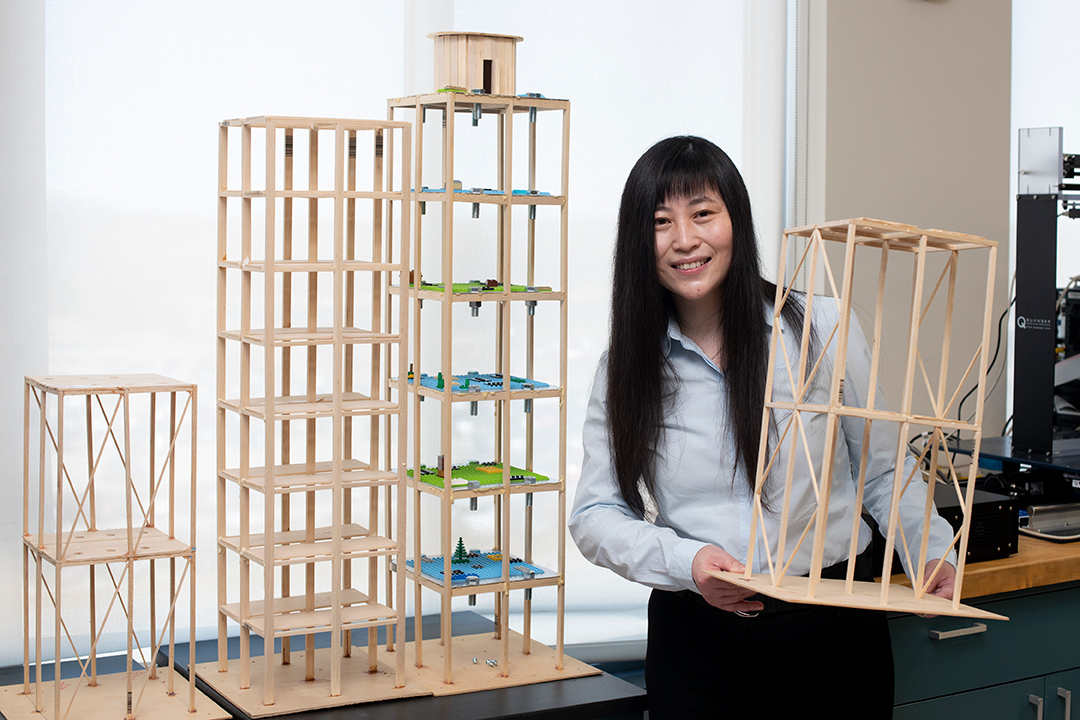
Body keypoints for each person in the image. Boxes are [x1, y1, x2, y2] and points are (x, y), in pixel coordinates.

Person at [568, 136, 956, 718]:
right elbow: (595, 514)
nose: (685, 240)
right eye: (660, 222)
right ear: (637, 241)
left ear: (736, 221)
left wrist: (930, 553)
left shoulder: (822, 326)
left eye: (703, 213)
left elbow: (885, 469)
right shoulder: (626, 365)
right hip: (696, 639)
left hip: (833, 630)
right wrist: (688, 561)